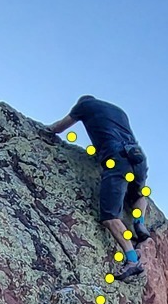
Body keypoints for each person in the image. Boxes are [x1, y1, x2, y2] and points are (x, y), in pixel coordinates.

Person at [47, 95, 153, 278]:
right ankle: (139, 223)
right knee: (137, 195)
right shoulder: (119, 111)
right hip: (138, 157)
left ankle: (132, 260)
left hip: (117, 158)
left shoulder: (85, 105)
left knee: (110, 217)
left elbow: (59, 127)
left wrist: (46, 130)